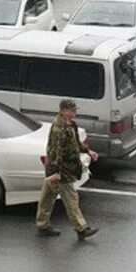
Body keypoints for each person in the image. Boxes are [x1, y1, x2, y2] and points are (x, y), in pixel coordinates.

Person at [35, 99, 99, 240]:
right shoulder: (60, 127)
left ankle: (42, 224)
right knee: (71, 198)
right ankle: (81, 228)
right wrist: (57, 172)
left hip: (59, 169)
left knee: (47, 197)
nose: (75, 112)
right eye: (73, 110)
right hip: (61, 170)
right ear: (64, 110)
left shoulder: (70, 125)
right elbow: (57, 151)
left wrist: (88, 151)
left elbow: (75, 143)